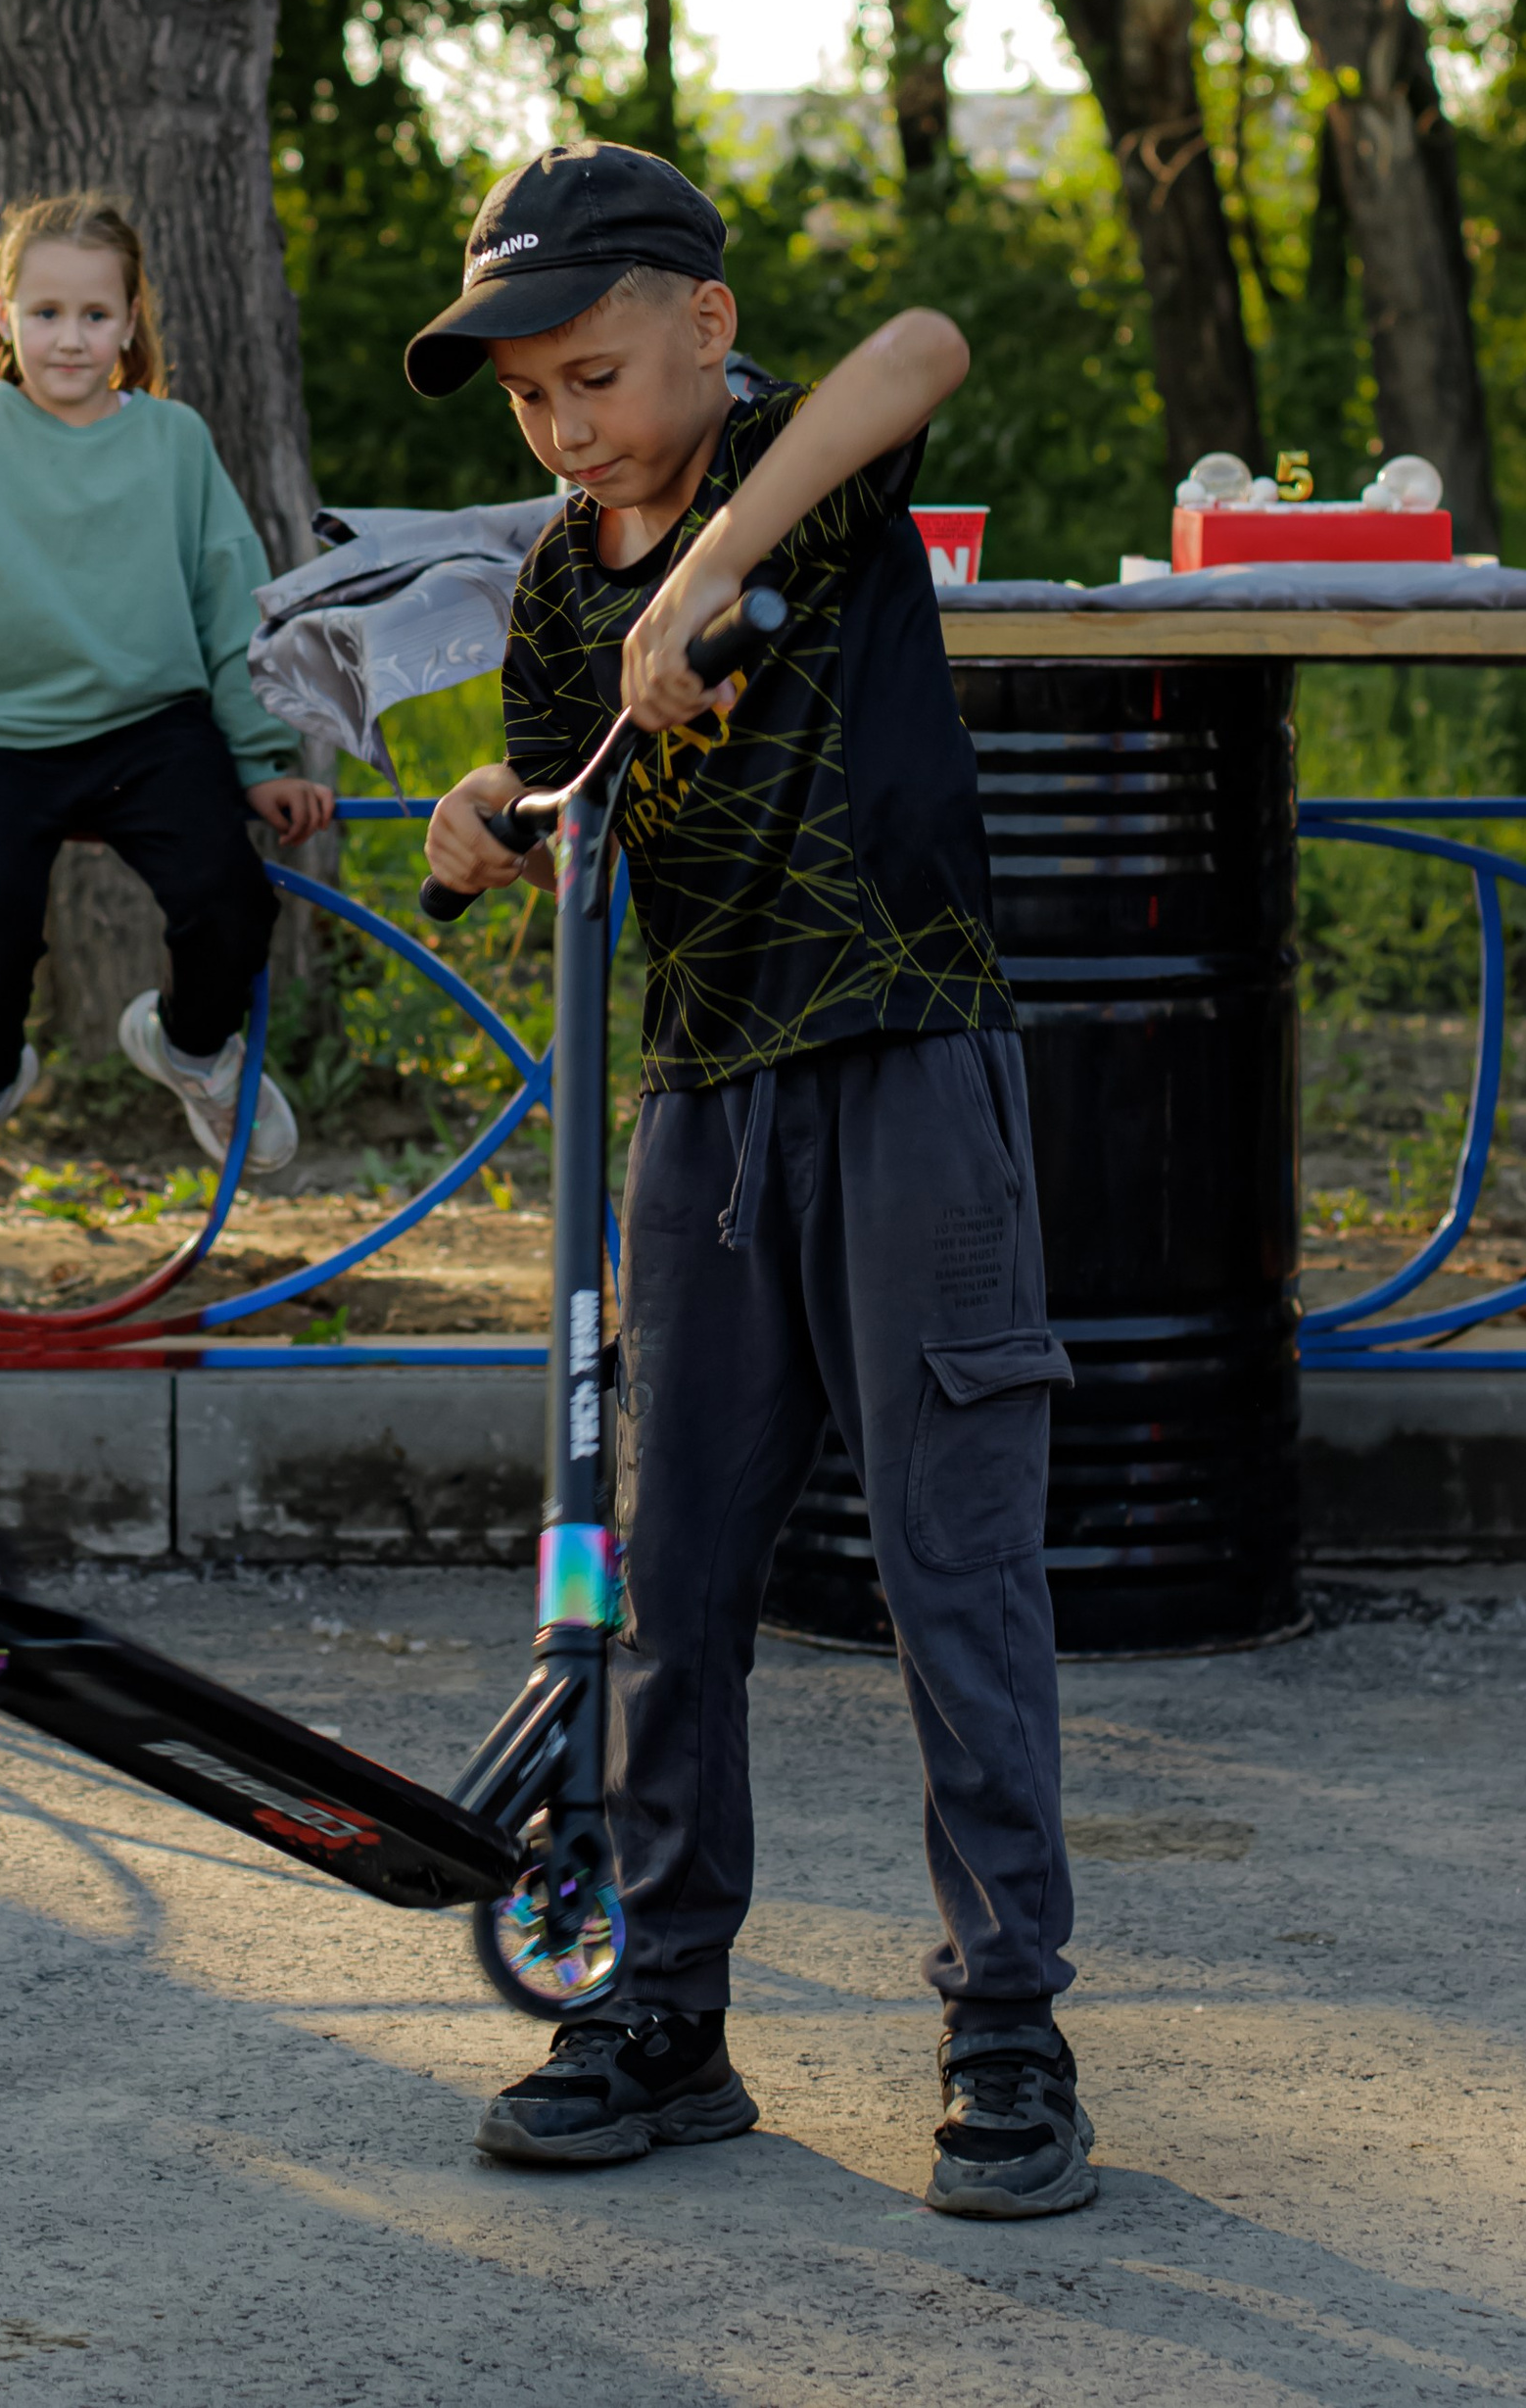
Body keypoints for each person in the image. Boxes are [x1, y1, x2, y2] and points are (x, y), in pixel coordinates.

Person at [413, 141, 1089, 2218]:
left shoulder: (808, 461)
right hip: (700, 1105)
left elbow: (924, 344)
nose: (565, 425)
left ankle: (1003, 2030)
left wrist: (716, 562)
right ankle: (661, 2006)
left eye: (594, 374)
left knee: (947, 1562)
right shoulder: (550, 574)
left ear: (702, 329)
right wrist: (491, 815)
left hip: (904, 1075)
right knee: (662, 1571)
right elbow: (571, 796)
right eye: (530, 396)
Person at [0, 191, 332, 1225]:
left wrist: (262, 756)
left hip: (150, 726)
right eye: (47, 312)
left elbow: (228, 600)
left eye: (95, 315)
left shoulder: (175, 442)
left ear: (132, 320)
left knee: (227, 896)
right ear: (5, 315)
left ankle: (192, 1049)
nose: (71, 337)